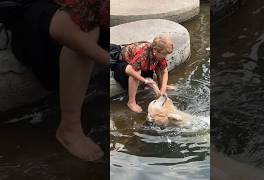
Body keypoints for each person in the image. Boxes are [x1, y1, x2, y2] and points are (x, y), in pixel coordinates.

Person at [9, 0, 109, 161]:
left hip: (95, 17)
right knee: (85, 24)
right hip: (42, 18)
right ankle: (69, 128)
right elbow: (76, 19)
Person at [110, 34, 174, 113]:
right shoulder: (143, 53)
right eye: (164, 54)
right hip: (123, 65)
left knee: (160, 65)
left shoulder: (158, 55)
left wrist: (163, 89)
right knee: (136, 72)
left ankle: (161, 86)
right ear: (155, 50)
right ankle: (131, 102)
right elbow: (130, 70)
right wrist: (145, 81)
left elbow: (164, 71)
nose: (165, 56)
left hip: (141, 65)